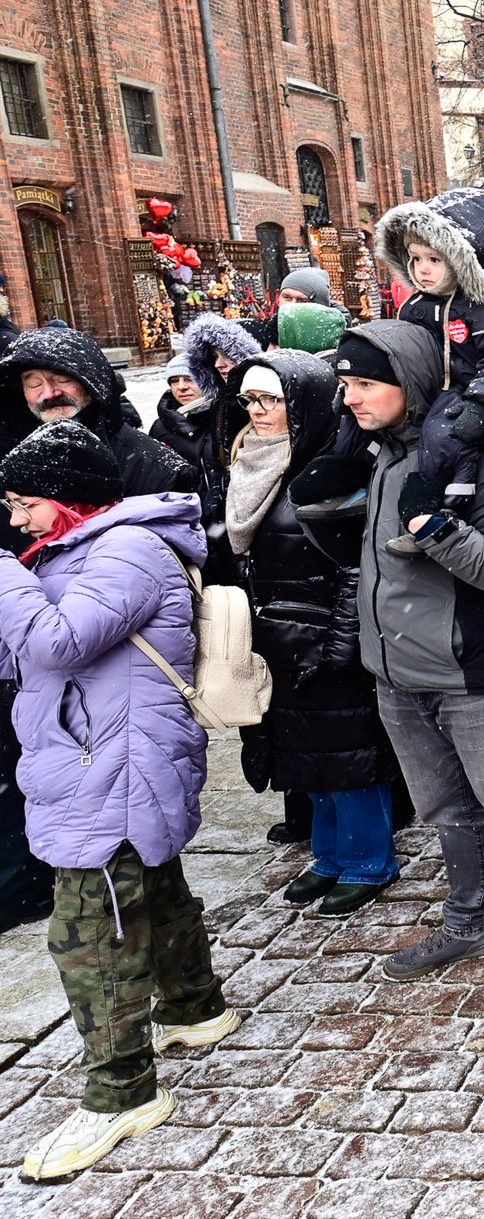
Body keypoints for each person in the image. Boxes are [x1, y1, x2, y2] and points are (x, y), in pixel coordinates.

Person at [0, 422, 239, 1182]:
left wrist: (2, 575)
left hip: (115, 762)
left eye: (25, 504)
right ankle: (196, 1008)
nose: (16, 520)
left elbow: (59, 643)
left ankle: (121, 1091)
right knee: (151, 884)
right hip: (99, 755)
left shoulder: (127, 550)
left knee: (90, 930)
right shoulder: (76, 549)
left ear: (70, 497)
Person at [308, 321, 484, 1016]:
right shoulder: (380, 453)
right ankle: (470, 920)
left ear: (412, 382)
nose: (350, 398)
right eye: (345, 384)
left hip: (473, 676)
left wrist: (439, 530)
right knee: (446, 811)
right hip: (396, 675)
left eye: (366, 384)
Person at [223, 352, 401, 917]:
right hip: (275, 640)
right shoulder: (250, 463)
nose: (258, 411)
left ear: (302, 404)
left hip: (323, 641)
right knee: (305, 759)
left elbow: (357, 566)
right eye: (250, 400)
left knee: (349, 758)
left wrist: (340, 647)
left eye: (270, 400)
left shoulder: (331, 467)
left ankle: (369, 859)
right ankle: (329, 855)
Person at [363, 189, 484, 542]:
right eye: (415, 258)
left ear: (463, 260)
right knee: (366, 414)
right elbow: (399, 348)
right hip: (431, 389)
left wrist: (480, 402)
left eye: (434, 259)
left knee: (442, 430)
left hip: (475, 394)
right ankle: (355, 469)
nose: (422, 269)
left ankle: (438, 501)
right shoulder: (417, 305)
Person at [0, 324, 197, 498]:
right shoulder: (12, 460)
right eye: (34, 384)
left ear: (91, 382)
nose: (49, 393)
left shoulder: (158, 469)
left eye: (62, 379)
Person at [149, 356, 216, 476]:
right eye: (175, 381)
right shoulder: (160, 427)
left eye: (189, 379)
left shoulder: (223, 418)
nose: (181, 387)